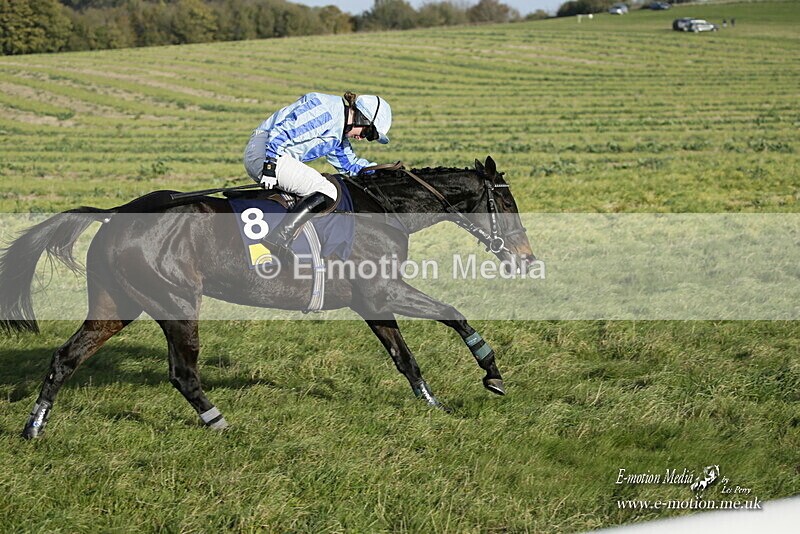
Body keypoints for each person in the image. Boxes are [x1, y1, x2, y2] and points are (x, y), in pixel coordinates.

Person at [243, 91, 392, 258]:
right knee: (328, 190)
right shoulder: (326, 111)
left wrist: (382, 172)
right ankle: (278, 238)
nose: (362, 138)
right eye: (369, 133)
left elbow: (350, 165)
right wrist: (270, 163)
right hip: (267, 152)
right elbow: (284, 131)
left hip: (272, 154)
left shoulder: (338, 132)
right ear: (361, 118)